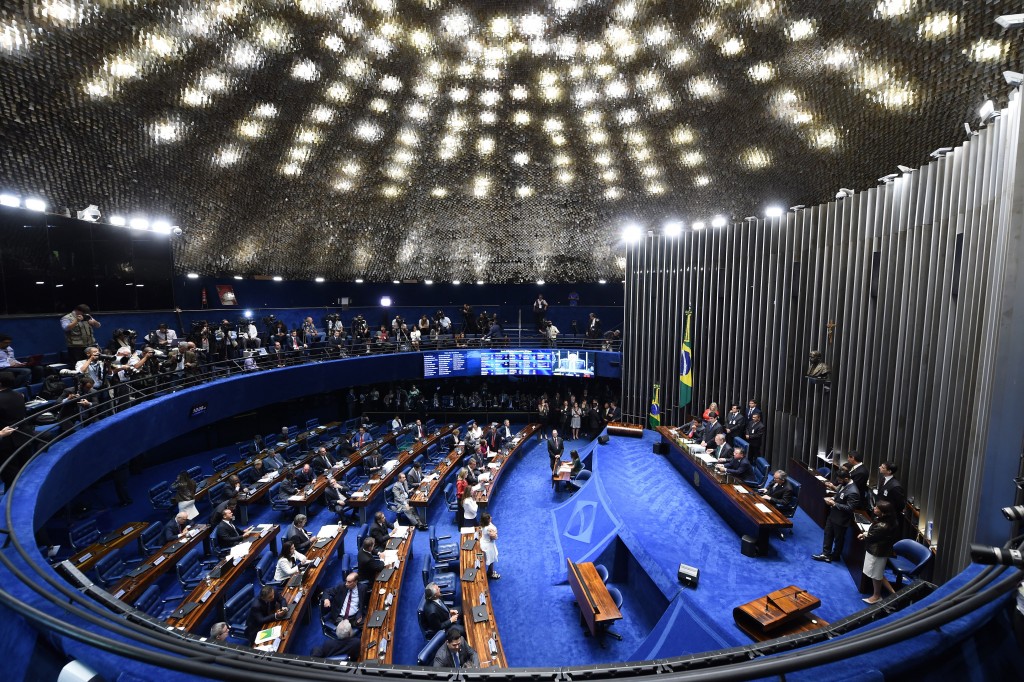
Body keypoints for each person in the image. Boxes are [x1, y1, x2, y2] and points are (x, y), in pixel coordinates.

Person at [814, 468, 861, 563]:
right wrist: (832, 498)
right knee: (828, 534)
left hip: (841, 519)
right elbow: (839, 495)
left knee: (838, 539)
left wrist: (834, 504)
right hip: (833, 515)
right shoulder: (843, 484)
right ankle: (825, 554)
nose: (838, 482)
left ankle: (835, 556)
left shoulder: (853, 492)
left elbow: (850, 508)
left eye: (840, 480)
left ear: (846, 479)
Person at [858, 500, 899, 604]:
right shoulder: (889, 521)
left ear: (883, 512)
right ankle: (894, 594)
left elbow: (872, 537)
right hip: (880, 550)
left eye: (877, 508)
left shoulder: (882, 526)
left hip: (876, 552)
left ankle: (876, 596)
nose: (874, 508)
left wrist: (864, 535)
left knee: (876, 575)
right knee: (878, 574)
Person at [479, 512, 499, 579]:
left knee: (488, 558)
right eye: (489, 518)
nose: (491, 518)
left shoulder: (484, 524)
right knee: (491, 560)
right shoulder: (489, 529)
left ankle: (489, 572)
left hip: (484, 542)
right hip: (488, 545)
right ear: (487, 520)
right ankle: (490, 573)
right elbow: (494, 537)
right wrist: (495, 533)